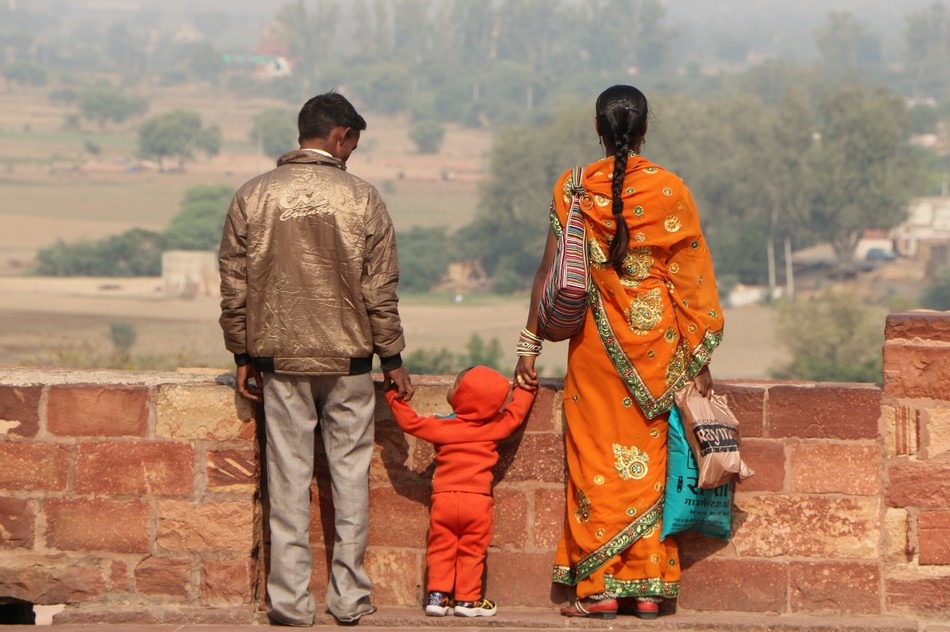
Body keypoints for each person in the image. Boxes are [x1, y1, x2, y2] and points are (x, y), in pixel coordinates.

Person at [514, 84, 724, 620]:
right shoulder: (671, 190)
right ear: (646, 128)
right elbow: (692, 280)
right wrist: (699, 359)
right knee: (654, 466)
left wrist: (528, 348)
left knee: (595, 463)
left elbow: (549, 271)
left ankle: (600, 588)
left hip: (595, 351)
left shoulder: (573, 187)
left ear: (597, 129)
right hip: (660, 352)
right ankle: (650, 589)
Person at [219, 92, 414, 626]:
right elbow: (380, 289)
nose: (351, 153)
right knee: (351, 478)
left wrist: (241, 352)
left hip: (279, 361)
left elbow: (234, 286)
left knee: (287, 479)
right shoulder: (363, 198)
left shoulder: (252, 195)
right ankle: (349, 598)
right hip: (350, 363)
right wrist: (392, 358)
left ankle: (289, 602)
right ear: (340, 136)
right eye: (352, 144)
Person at [385, 366, 536, 618]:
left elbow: (409, 422)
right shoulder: (494, 427)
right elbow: (516, 413)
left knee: (440, 548)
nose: (451, 388)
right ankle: (467, 600)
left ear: (462, 396)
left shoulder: (441, 426)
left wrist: (392, 396)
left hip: (444, 500)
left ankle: (437, 597)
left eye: (455, 385)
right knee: (472, 551)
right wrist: (525, 387)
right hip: (477, 502)